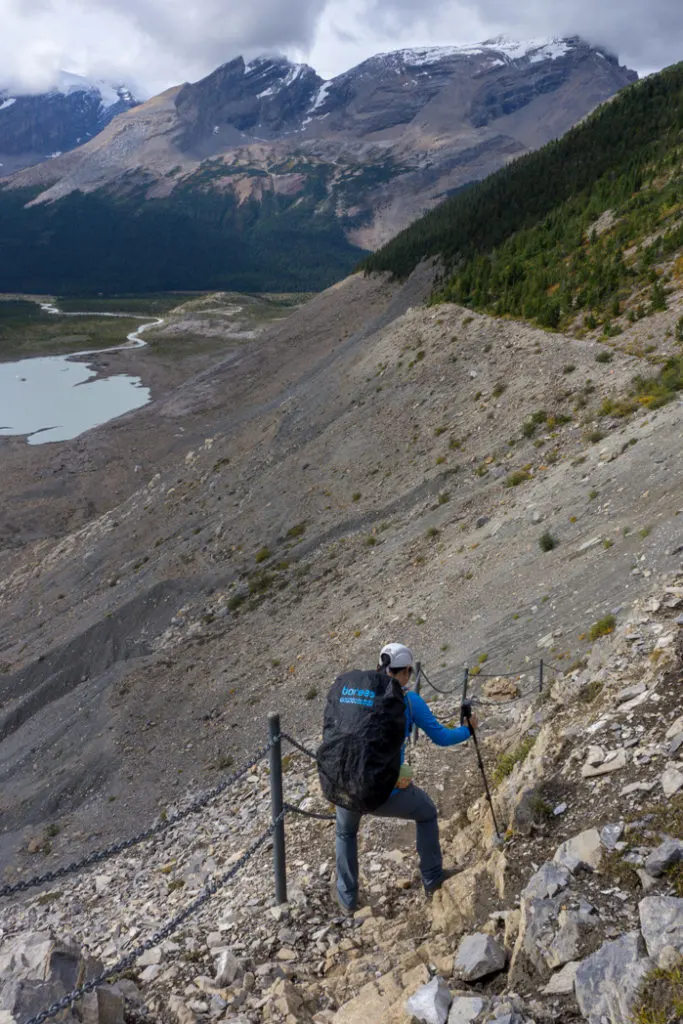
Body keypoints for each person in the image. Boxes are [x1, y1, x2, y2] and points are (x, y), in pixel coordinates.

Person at [333, 642, 478, 916]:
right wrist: (468, 730)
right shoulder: (409, 700)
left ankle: (347, 900)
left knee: (345, 831)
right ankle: (433, 879)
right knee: (426, 813)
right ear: (406, 672)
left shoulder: (353, 692)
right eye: (408, 671)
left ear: (380, 665)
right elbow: (442, 737)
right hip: (382, 789)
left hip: (344, 782)